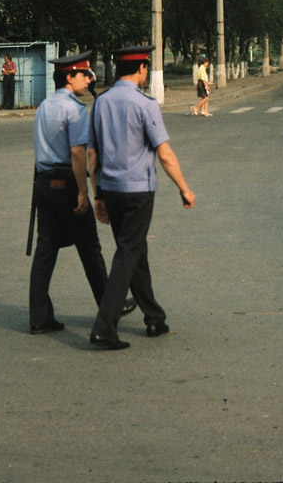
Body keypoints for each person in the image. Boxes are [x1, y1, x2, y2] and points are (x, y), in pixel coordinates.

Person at [88, 45, 195, 350]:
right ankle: (104, 326)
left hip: (110, 189)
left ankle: (154, 317)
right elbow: (165, 153)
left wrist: (98, 195)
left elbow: (93, 154)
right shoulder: (145, 104)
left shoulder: (101, 103)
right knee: (127, 253)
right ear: (142, 68)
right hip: (138, 192)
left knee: (135, 251)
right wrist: (184, 188)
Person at [28, 51, 136, 334]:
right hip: (66, 185)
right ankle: (109, 305)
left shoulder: (44, 106)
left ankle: (39, 317)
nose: (89, 79)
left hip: (43, 185)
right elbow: (78, 154)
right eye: (84, 74)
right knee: (90, 248)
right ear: (69, 77)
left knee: (45, 251)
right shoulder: (74, 110)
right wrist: (82, 192)